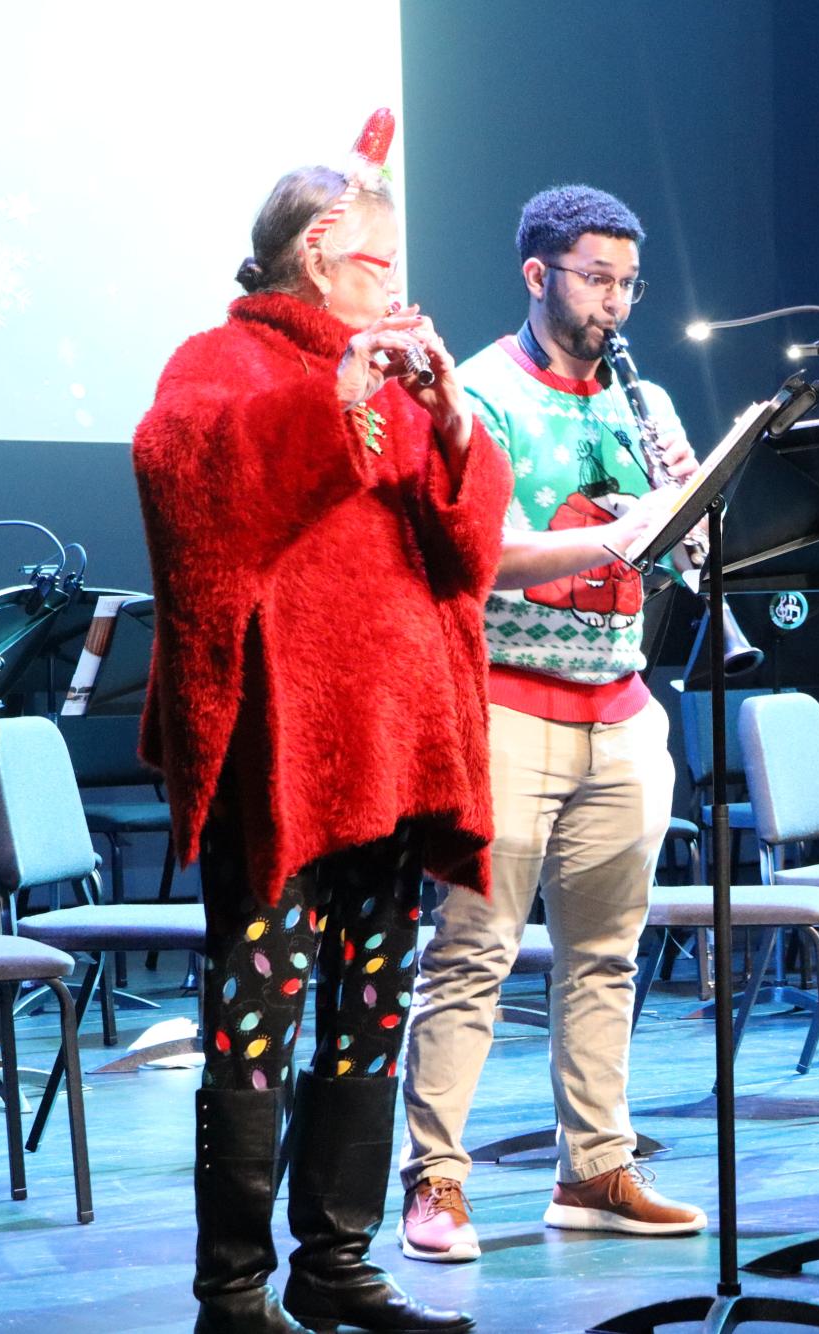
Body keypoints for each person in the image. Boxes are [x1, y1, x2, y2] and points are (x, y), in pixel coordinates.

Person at [134, 110, 510, 1332]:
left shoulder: (398, 385)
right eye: (374, 263)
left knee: (372, 1008)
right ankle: (233, 1288)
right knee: (258, 1019)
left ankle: (334, 1262)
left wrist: (451, 421)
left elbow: (464, 551)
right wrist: (329, 406)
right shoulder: (221, 360)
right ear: (311, 251)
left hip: (400, 753)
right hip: (286, 762)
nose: (395, 286)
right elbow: (186, 477)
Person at [397, 184, 707, 1262]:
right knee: (472, 949)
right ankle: (435, 1178)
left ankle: (596, 1167)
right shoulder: (478, 394)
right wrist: (630, 529)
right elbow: (488, 556)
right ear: (539, 275)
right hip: (505, 701)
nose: (614, 304)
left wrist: (689, 519)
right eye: (595, 280)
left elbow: (683, 555)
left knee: (608, 957)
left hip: (621, 706)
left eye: (628, 283)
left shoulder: (646, 401)